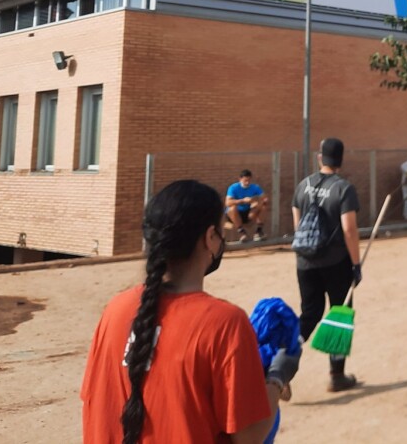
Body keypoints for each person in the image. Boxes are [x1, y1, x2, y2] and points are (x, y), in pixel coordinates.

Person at [81, 179, 281, 443]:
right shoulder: (224, 323)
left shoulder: (115, 310)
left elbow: (94, 402)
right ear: (210, 238)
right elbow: (249, 436)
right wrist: (278, 380)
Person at [292, 137, 362, 391]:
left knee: (309, 314)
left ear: (320, 157)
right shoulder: (343, 189)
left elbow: (298, 226)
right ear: (340, 160)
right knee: (339, 313)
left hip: (305, 261)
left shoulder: (303, 186)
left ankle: (280, 365)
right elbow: (349, 230)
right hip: (336, 262)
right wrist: (356, 264)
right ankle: (337, 375)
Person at [225, 169, 269, 242]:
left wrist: (257, 202)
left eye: (249, 180)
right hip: (236, 213)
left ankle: (258, 231)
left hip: (248, 213)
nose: (247, 182)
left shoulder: (255, 187)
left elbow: (265, 199)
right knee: (232, 208)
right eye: (245, 180)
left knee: (263, 207)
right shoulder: (233, 188)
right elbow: (227, 203)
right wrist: (242, 200)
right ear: (240, 179)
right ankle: (242, 233)